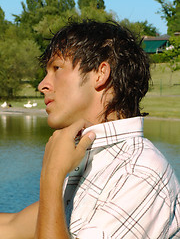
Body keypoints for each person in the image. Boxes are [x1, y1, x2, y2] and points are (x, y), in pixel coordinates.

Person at [0, 19, 180, 239]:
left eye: (56, 68)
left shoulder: (138, 173)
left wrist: (52, 176)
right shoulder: (93, 161)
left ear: (100, 74)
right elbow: (12, 226)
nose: (42, 85)